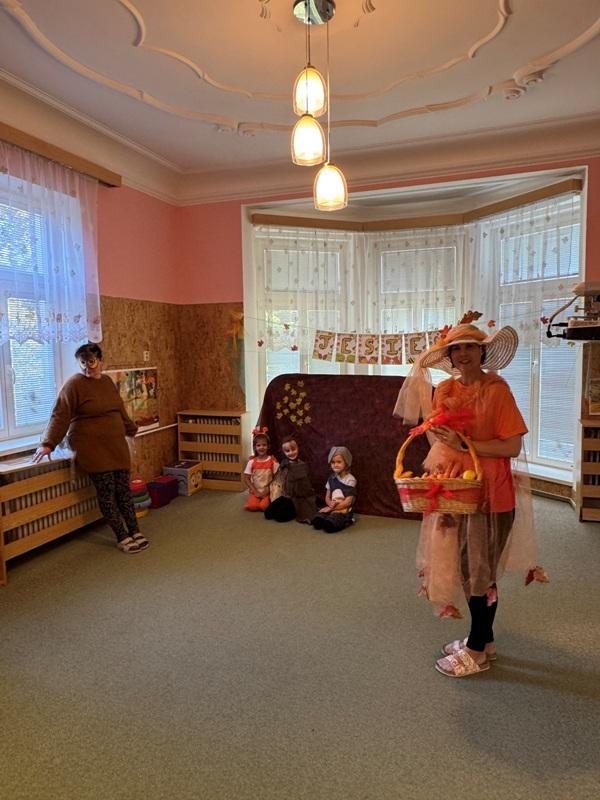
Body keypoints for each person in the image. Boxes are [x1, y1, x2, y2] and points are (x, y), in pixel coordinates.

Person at [394, 316, 546, 678]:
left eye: (470, 347)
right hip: (456, 491)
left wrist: (468, 445)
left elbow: (511, 446)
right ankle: (485, 640)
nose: (463, 354)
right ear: (450, 356)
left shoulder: (497, 391)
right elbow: (439, 437)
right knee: (465, 565)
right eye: (456, 348)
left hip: (490, 494)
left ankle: (477, 650)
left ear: (482, 352)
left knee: (480, 572)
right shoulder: (445, 390)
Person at [32, 343, 150, 554]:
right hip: (92, 448)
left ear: (100, 361)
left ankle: (135, 530)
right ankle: (122, 536)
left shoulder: (107, 382)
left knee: (123, 490)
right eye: (83, 363)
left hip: (115, 446)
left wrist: (130, 428)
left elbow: (119, 409)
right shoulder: (74, 384)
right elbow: (60, 414)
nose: (87, 367)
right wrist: (48, 443)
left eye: (91, 362)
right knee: (107, 492)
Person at [264, 434, 317, 523]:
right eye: (287, 451)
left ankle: (292, 511)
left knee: (280, 517)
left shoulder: (302, 466)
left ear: (298, 448)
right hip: (286, 496)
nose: (291, 453)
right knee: (268, 513)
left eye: (293, 449)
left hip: (297, 498)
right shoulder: (284, 463)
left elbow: (305, 487)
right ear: (284, 452)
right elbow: (280, 479)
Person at [312, 446, 357, 533]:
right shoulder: (331, 478)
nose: (335, 465)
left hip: (343, 510)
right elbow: (327, 497)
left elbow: (348, 502)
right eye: (333, 462)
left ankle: (348, 520)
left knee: (329, 526)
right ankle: (330, 517)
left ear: (346, 462)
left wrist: (331, 509)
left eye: (339, 462)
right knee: (317, 521)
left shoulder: (350, 480)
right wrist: (329, 504)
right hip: (332, 507)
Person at [243, 428, 279, 512]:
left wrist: (268, 491)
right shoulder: (251, 462)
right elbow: (246, 478)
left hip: (268, 491)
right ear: (255, 447)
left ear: (268, 446)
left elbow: (277, 478)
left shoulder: (272, 461)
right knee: (252, 506)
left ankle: (266, 500)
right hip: (255, 490)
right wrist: (255, 491)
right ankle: (256, 499)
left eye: (264, 445)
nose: (261, 447)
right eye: (258, 445)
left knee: (264, 507)